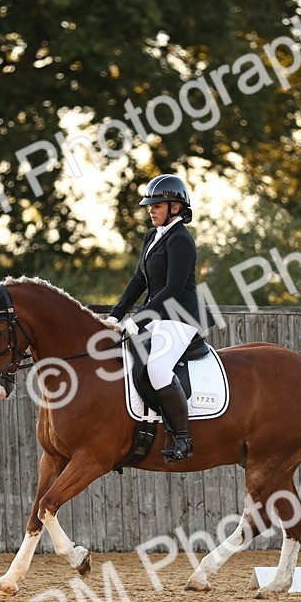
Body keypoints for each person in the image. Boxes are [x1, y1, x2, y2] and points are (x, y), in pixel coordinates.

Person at [106, 174, 204, 463]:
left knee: (158, 368)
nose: (151, 210)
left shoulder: (182, 240)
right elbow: (139, 280)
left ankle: (183, 438)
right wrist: (116, 315)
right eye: (150, 206)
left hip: (179, 317)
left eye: (157, 205)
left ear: (175, 207)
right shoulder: (152, 237)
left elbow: (173, 289)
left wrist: (139, 318)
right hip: (155, 317)